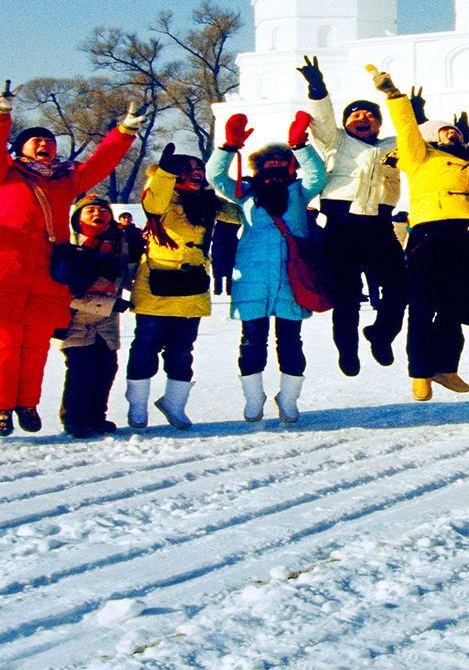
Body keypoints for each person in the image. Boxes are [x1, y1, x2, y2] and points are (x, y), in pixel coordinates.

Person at [0, 81, 140, 438]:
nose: (45, 145)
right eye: (37, 141)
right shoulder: (3, 175)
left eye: (50, 142)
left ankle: (27, 402)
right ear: (21, 148)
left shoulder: (66, 180)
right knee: (6, 345)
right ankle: (2, 406)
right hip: (7, 268)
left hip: (51, 270)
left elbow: (101, 163)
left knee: (36, 345)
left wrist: (124, 131)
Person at [372, 66, 469, 402]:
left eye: (455, 131)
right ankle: (421, 374)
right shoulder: (420, 156)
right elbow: (406, 129)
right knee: (424, 306)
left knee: (453, 307)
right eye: (444, 132)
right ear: (433, 138)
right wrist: (394, 97)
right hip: (430, 237)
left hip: (466, 238)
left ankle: (445, 367)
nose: (451, 134)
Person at [208, 113, 327, 423]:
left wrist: (300, 145)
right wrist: (228, 146)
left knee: (290, 340)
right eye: (266, 165)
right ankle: (254, 396)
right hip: (253, 277)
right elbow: (214, 176)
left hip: (293, 276)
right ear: (256, 169)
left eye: (280, 163)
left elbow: (319, 176)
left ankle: (288, 398)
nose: (272, 169)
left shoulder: (300, 192)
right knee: (252, 339)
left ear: (290, 168)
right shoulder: (245, 192)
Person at [296, 55, 409, 376]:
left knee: (399, 288)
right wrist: (318, 90)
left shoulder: (392, 146)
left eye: (370, 115)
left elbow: (416, 140)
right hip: (341, 228)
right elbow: (321, 117)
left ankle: (381, 334)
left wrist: (416, 113)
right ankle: (347, 351)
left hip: (379, 228)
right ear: (346, 123)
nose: (363, 117)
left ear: (378, 123)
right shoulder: (336, 141)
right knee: (345, 298)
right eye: (355, 114)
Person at [126, 145, 220, 430]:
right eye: (187, 170)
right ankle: (138, 406)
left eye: (199, 170)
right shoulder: (161, 199)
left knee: (182, 349)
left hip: (192, 286)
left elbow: (237, 213)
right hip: (157, 284)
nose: (195, 175)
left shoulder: (207, 202)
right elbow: (154, 202)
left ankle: (174, 404)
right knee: (145, 347)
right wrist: (166, 172)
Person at [54, 195, 130, 438]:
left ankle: (97, 416)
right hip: (76, 320)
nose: (98, 215)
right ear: (78, 218)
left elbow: (127, 275)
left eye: (103, 211)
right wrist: (108, 303)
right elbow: (64, 288)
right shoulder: (68, 245)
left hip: (106, 322)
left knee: (107, 367)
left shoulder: (119, 244)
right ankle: (75, 419)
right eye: (91, 211)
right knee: (81, 368)